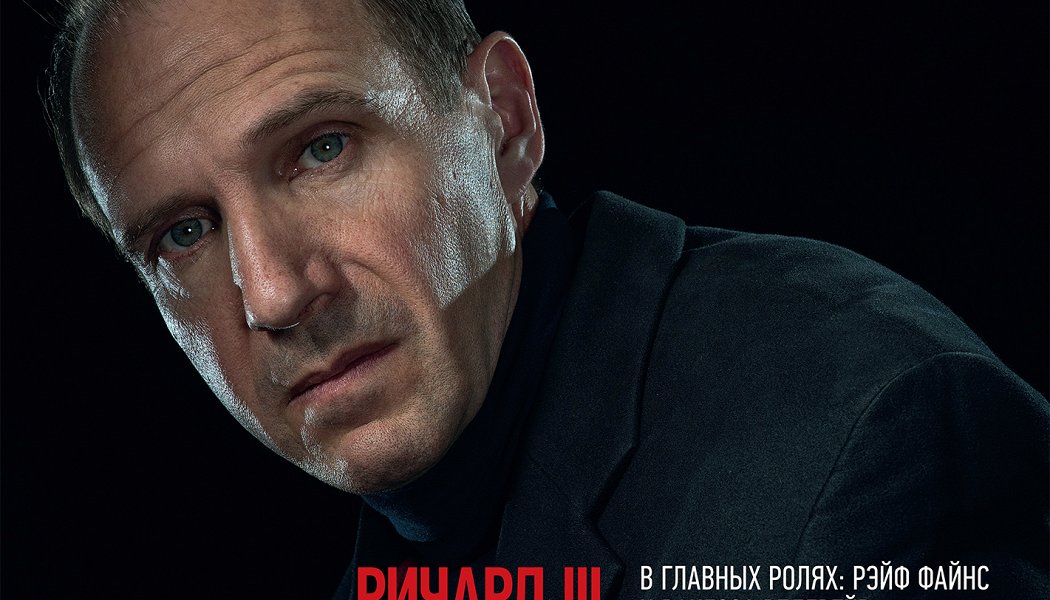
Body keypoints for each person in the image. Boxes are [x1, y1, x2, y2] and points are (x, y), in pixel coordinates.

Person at [43, 0, 1047, 598]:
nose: (273, 293)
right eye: (184, 233)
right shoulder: (410, 536)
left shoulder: (854, 443)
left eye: (323, 149)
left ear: (506, 124)